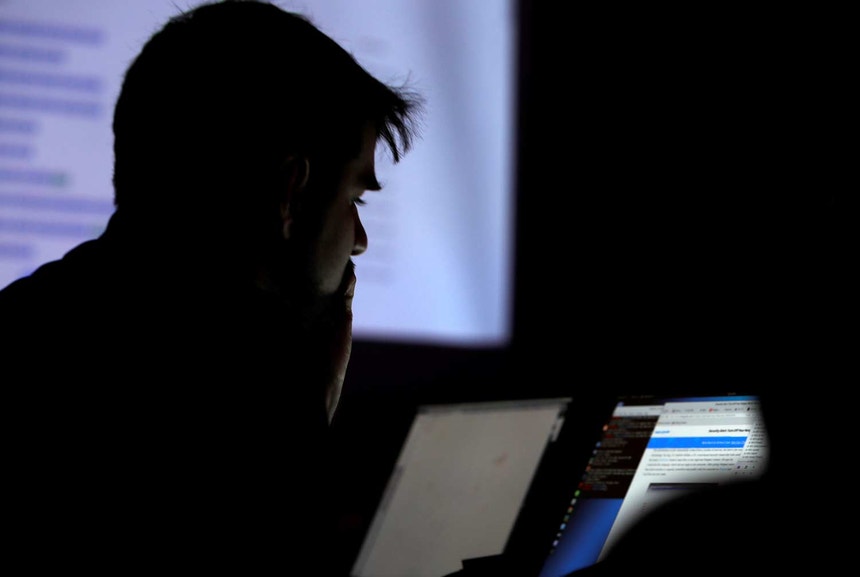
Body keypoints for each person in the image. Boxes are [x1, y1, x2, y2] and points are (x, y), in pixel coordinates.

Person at [1, 0, 422, 572]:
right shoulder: (238, 408)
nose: (361, 241)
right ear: (291, 192)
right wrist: (303, 415)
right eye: (355, 198)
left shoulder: (32, 320)